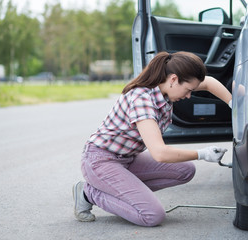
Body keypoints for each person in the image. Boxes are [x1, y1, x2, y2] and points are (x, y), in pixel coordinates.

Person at [72, 51, 233, 227]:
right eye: (188, 90)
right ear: (173, 79)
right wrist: (202, 154)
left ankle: (124, 191)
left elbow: (209, 83)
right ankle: (89, 193)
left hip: (127, 158)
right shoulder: (142, 99)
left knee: (185, 170)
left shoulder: (165, 88)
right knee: (151, 215)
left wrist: (233, 104)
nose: (188, 96)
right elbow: (160, 153)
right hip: (100, 161)